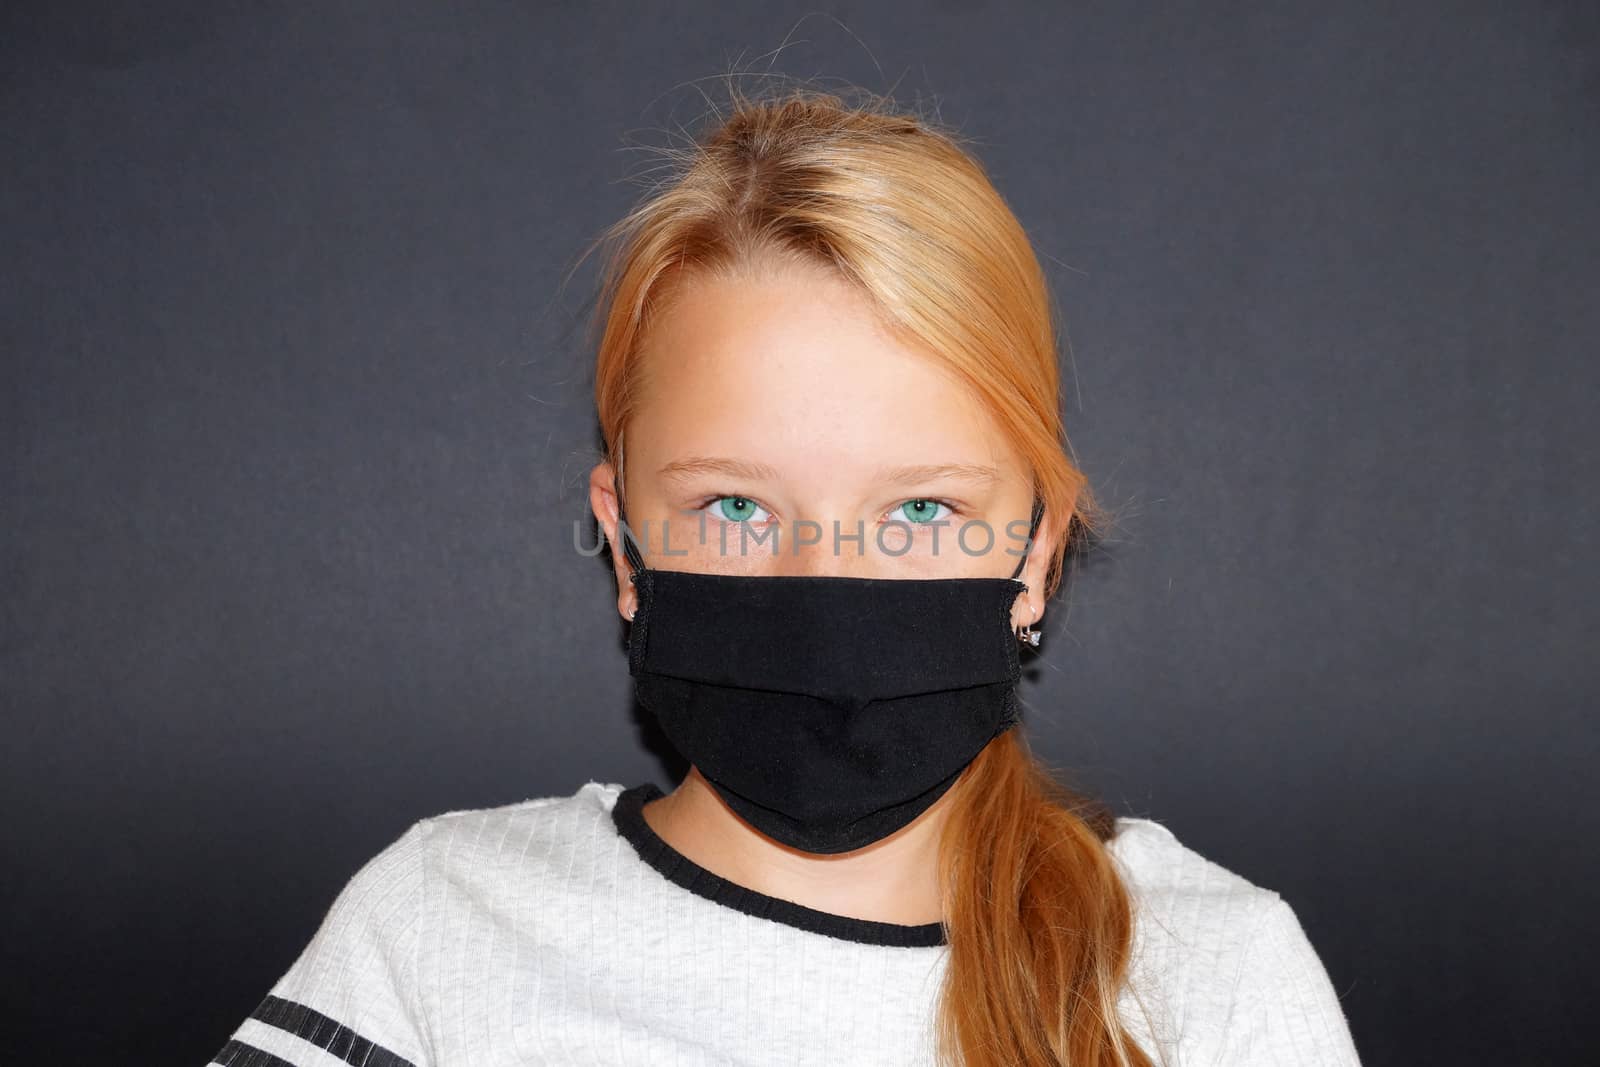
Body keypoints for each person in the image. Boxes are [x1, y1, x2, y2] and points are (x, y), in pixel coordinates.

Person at [207, 85, 1362, 1067]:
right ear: (624, 543)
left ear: (1036, 552)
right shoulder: (438, 927)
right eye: (736, 505)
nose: (825, 584)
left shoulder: (1215, 980)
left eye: (920, 507)